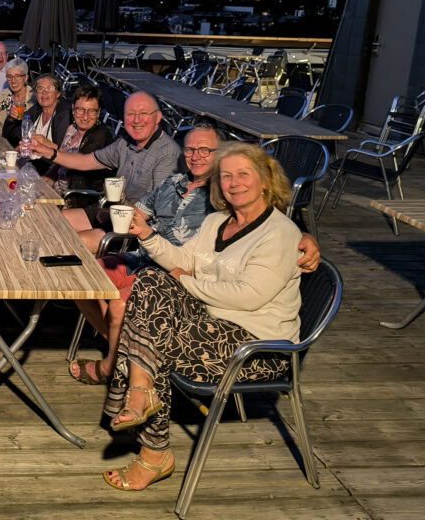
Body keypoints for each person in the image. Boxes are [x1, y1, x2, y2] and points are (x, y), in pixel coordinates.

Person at [102, 142, 303, 493]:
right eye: (226, 176)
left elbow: (249, 296)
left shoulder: (281, 233)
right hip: (211, 320)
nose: (234, 183)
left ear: (266, 181)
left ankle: (153, 449)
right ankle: (141, 393)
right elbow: (185, 261)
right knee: (149, 281)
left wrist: (186, 281)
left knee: (155, 341)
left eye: (244, 174)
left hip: (258, 344)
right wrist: (147, 235)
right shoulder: (216, 221)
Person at [69, 125, 321, 391]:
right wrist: (126, 216)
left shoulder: (223, 196)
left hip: (188, 288)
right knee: (81, 278)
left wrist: (305, 236)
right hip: (154, 263)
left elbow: (268, 229)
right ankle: (124, 358)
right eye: (190, 150)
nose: (196, 156)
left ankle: (116, 364)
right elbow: (140, 216)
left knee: (126, 306)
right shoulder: (176, 183)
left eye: (205, 150)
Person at [31, 91, 181, 252]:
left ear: (158, 117)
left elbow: (154, 211)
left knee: (72, 242)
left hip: (136, 229)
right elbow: (86, 161)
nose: (136, 120)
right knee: (50, 221)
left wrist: (112, 213)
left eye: (143, 113)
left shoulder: (167, 154)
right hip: (112, 211)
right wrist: (47, 152)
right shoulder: (126, 141)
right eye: (131, 114)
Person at [42, 85, 114, 195]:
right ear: (73, 109)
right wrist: (48, 177)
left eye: (91, 111)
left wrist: (46, 147)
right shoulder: (72, 129)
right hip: (57, 191)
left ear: (98, 112)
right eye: (80, 110)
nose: (85, 117)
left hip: (79, 196)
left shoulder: (100, 135)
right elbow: (60, 162)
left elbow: (79, 172)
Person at [3, 72, 70, 172]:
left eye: (49, 88)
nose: (44, 92)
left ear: (58, 94)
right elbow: (9, 135)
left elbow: (66, 154)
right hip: (30, 166)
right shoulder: (36, 111)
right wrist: (11, 119)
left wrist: (44, 142)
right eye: (40, 88)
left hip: (51, 170)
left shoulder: (64, 115)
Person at [0, 57, 31, 126]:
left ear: (25, 78)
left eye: (18, 76)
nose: (13, 80)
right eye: (9, 76)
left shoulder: (33, 99)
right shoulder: (8, 97)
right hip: (8, 131)